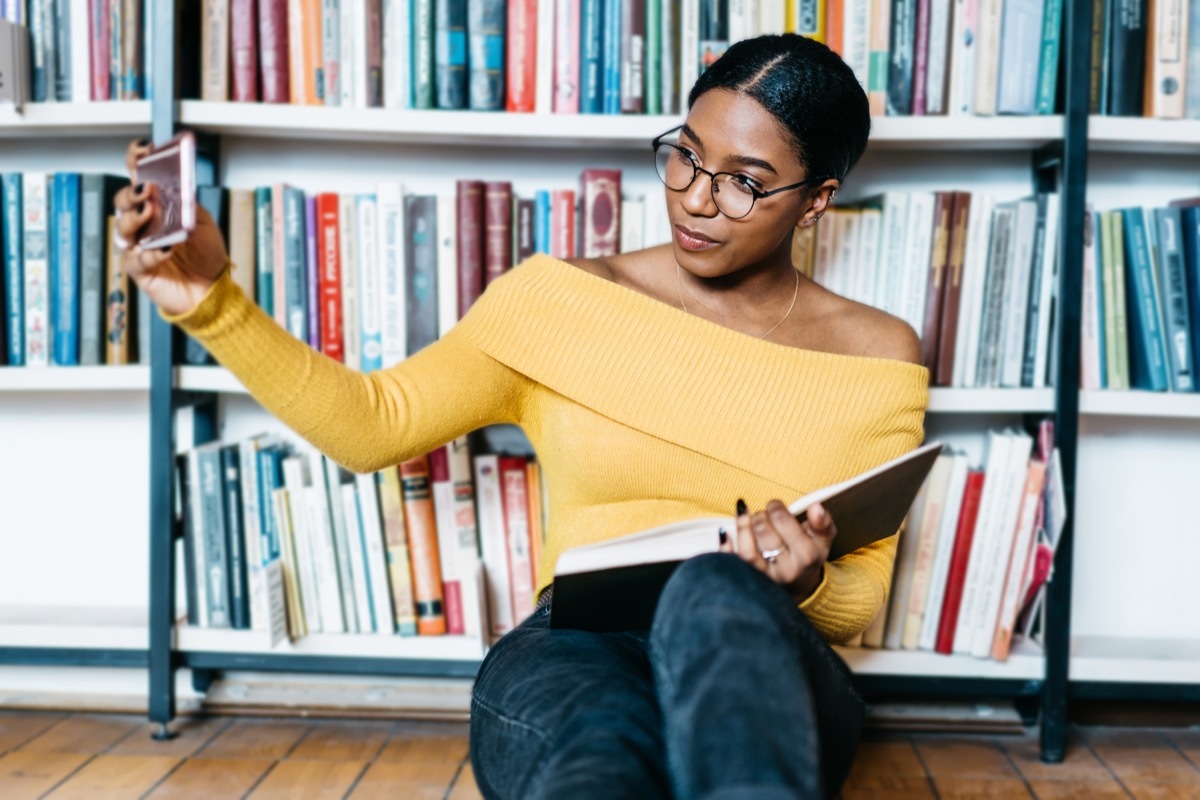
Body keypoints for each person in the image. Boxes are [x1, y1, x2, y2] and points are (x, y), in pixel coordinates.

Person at [115, 33, 926, 800]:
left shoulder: (877, 353)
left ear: (817, 201)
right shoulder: (560, 300)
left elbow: (861, 598)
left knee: (714, 584)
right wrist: (212, 305)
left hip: (764, 660)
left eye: (744, 181)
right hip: (574, 646)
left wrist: (808, 579)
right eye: (685, 156)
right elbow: (372, 424)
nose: (695, 199)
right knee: (604, 744)